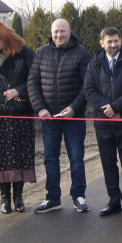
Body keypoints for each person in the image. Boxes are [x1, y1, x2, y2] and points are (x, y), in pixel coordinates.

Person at [27, 18, 92, 214]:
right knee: (50, 158)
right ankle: (52, 197)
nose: (59, 35)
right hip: (49, 118)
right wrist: (40, 109)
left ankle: (78, 196)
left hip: (74, 117)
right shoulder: (41, 53)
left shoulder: (82, 53)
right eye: (56, 32)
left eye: (63, 31)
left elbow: (86, 86)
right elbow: (32, 84)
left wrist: (73, 107)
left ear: (70, 32)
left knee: (76, 158)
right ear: (51, 33)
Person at [0, 21, 37, 214]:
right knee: (1, 157)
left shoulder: (25, 54)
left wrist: (18, 91)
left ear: (3, 37)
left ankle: (18, 197)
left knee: (19, 155)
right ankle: (5, 199)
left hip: (21, 111)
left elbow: (34, 80)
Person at [83, 27, 122, 216]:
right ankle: (113, 199)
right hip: (103, 122)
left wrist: (117, 107)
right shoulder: (94, 64)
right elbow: (89, 90)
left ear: (121, 41)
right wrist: (108, 108)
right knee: (108, 163)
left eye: (116, 41)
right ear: (102, 43)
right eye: (109, 41)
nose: (113, 45)